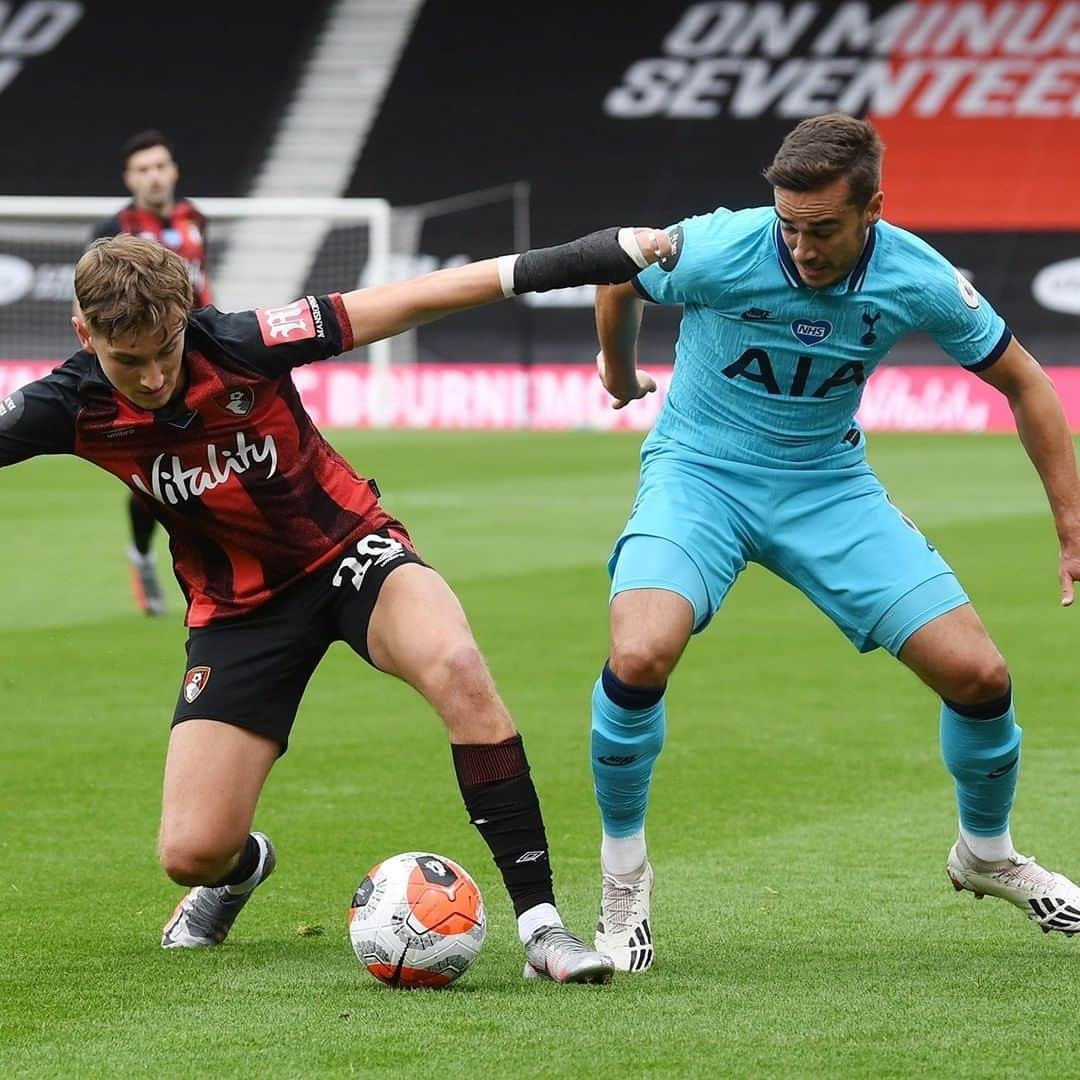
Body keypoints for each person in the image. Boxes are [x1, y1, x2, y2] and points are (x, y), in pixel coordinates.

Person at [1, 224, 671, 983]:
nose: (154, 376)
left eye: (167, 349)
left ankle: (542, 928)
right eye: (130, 361)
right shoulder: (63, 406)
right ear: (84, 333)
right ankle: (240, 872)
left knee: (457, 664)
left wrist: (588, 255)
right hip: (238, 613)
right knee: (191, 853)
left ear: (187, 314)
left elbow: (417, 295)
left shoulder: (245, 343)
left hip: (350, 554)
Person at [589, 113, 1080, 973]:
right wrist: (619, 372)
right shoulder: (714, 247)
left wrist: (1072, 529)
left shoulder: (916, 275)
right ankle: (624, 878)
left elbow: (1027, 383)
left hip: (827, 488)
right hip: (700, 475)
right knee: (639, 654)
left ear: (873, 211)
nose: (803, 248)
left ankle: (987, 853)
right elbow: (619, 274)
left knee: (981, 675)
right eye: (789, 225)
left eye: (823, 230)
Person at [90, 129, 213, 617]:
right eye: (143, 169)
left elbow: (201, 283)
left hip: (193, 354)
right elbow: (92, 297)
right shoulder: (114, 227)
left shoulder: (196, 219)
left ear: (174, 170)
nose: (154, 176)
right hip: (145, 365)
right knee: (154, 471)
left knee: (209, 460)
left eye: (160, 166)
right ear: (129, 178)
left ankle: (205, 568)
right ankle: (144, 555)